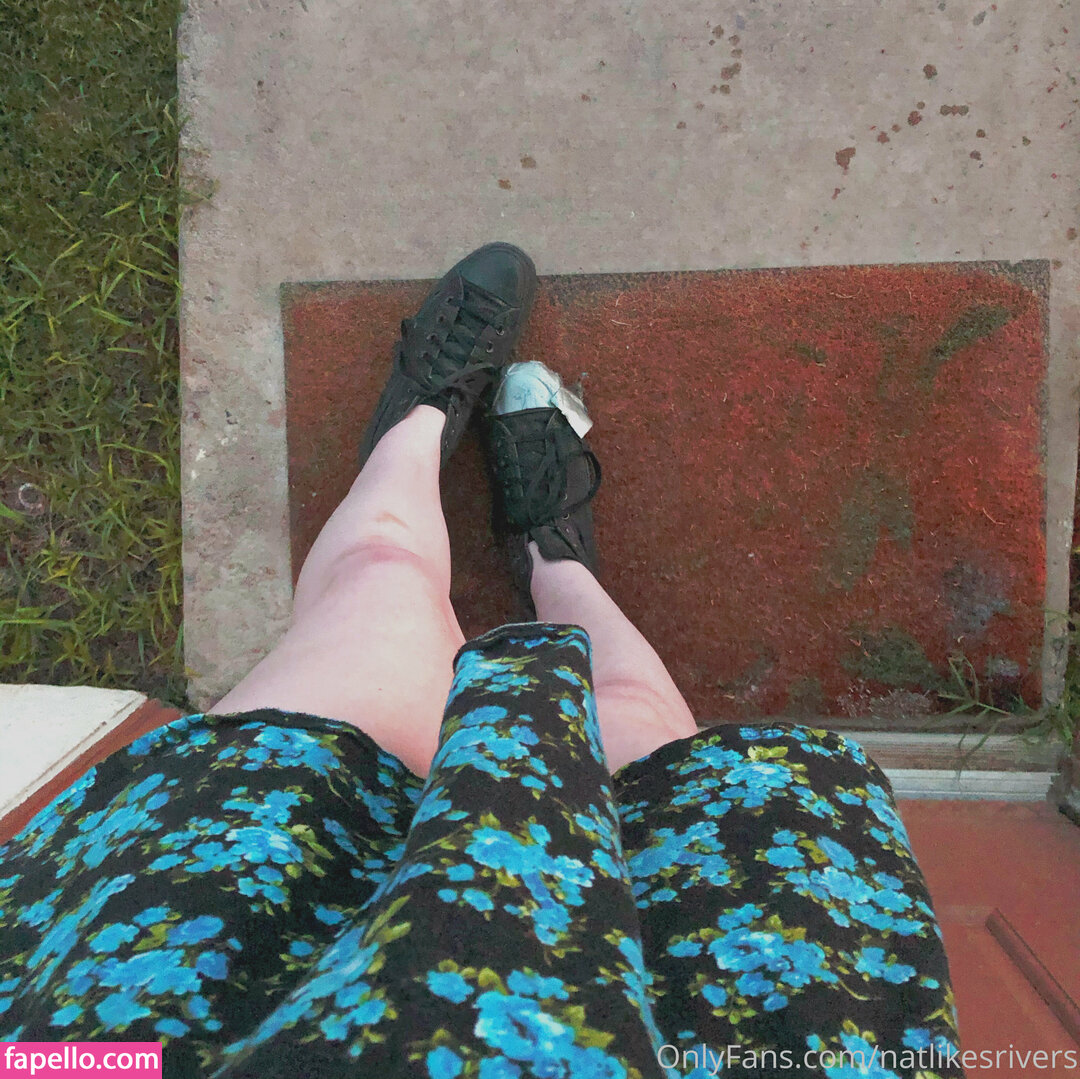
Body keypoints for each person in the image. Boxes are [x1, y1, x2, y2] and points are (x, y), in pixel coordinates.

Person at [0, 244, 965, 1079]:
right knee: (634, 741)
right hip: (713, 1024)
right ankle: (553, 552)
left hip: (176, 1017)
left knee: (379, 584)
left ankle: (414, 431)